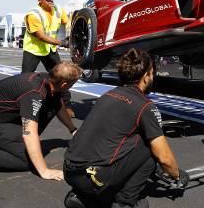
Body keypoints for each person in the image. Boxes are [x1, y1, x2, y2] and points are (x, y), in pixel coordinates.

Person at [63, 49, 189, 208]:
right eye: (151, 74)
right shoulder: (145, 106)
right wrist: (177, 174)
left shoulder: (108, 95)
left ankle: (81, 196)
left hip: (70, 171)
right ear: (145, 76)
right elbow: (164, 157)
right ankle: (124, 202)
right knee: (150, 145)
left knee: (119, 138)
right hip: (94, 179)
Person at [22, 0, 74, 118]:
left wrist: (71, 30)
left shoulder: (58, 9)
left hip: (49, 49)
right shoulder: (33, 15)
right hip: (33, 50)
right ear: (40, 0)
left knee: (63, 76)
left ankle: (67, 106)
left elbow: (67, 23)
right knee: (25, 79)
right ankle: (21, 106)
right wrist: (61, 43)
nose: (51, 0)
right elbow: (41, 36)